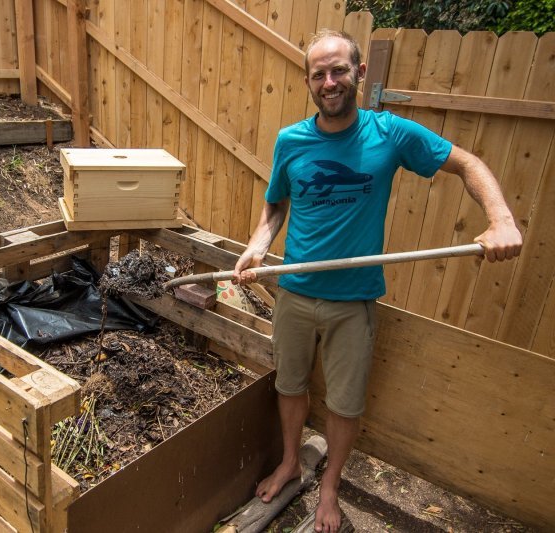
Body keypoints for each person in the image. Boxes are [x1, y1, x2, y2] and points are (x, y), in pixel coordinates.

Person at [231, 29, 522, 533]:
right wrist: (259, 243)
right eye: (319, 73)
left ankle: (329, 487)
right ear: (307, 80)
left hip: (353, 301)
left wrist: (500, 220)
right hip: (294, 292)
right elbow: (276, 203)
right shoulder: (290, 141)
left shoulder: (389, 134)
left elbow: (467, 163)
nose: (329, 81)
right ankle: (290, 463)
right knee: (290, 385)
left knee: (345, 404)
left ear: (359, 73)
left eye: (339, 70)